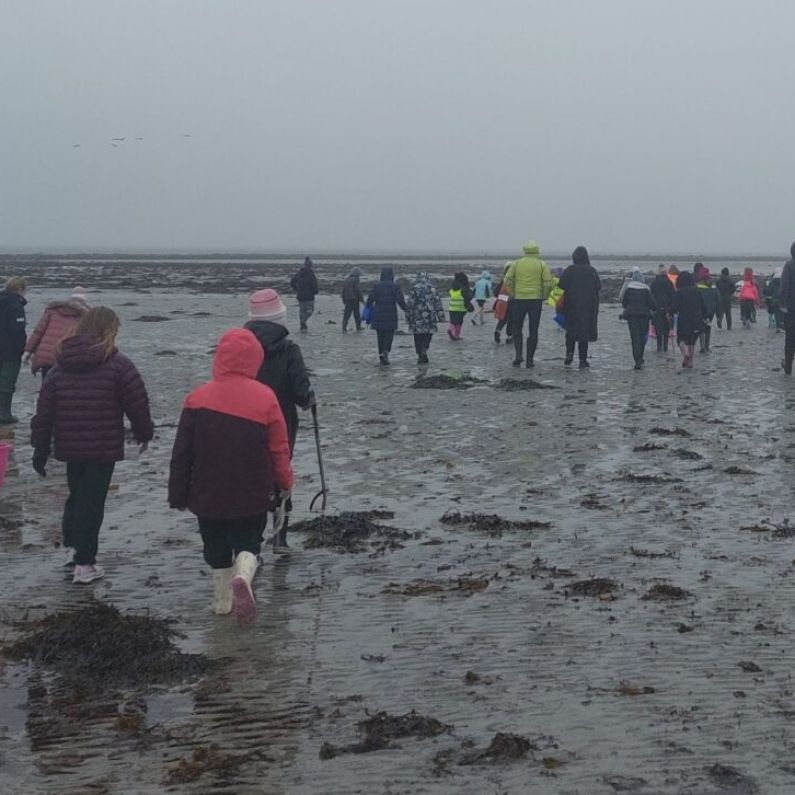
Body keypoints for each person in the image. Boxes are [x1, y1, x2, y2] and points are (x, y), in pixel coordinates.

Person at [168, 329, 293, 622]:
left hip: (206, 492)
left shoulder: (197, 398)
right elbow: (279, 449)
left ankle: (222, 601)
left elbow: (182, 453)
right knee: (249, 539)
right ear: (255, 361)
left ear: (219, 358)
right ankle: (245, 575)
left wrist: (177, 494)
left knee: (215, 546)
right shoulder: (265, 398)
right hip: (252, 490)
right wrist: (285, 482)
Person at [30, 307, 154, 584]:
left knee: (77, 495)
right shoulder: (119, 364)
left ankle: (73, 549)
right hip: (102, 446)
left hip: (70, 445)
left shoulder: (60, 366)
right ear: (110, 331)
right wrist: (144, 432)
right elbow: (138, 403)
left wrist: (39, 447)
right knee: (91, 502)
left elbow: (44, 412)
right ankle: (84, 564)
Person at [244, 289, 313, 552]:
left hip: (244, 421)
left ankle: (251, 541)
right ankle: (280, 537)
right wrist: (309, 399)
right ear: (280, 317)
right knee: (281, 475)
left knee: (251, 477)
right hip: (281, 422)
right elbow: (300, 391)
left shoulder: (242, 347)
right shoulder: (288, 349)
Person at [503, 241, 552, 368]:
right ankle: (530, 360)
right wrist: (544, 296)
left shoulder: (517, 263)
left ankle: (519, 355)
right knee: (533, 330)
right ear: (537, 250)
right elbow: (548, 282)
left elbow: (507, 280)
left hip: (519, 299)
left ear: (524, 250)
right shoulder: (542, 264)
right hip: (535, 300)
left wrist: (513, 293)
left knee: (517, 327)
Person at [24, 287, 89, 379]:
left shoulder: (53, 310)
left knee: (46, 385)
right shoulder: (86, 316)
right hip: (67, 357)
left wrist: (28, 351)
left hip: (47, 355)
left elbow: (38, 332)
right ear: (84, 300)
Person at [558, 246, 600, 369]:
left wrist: (557, 307)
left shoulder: (569, 270)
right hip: (587, 307)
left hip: (570, 306)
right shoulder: (592, 271)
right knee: (584, 334)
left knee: (570, 331)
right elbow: (598, 287)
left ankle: (569, 355)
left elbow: (560, 288)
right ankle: (582, 360)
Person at [0, 276, 28, 424]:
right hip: (10, 350)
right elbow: (17, 330)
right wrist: (22, 349)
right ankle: (4, 414)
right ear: (19, 289)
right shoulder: (15, 305)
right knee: (7, 383)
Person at [366, 266, 405, 365]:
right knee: (389, 335)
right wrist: (406, 309)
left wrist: (367, 308)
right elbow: (400, 300)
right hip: (390, 314)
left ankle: (381, 355)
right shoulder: (395, 286)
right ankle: (385, 352)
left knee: (380, 335)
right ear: (392, 275)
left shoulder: (377, 286)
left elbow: (370, 299)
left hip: (378, 313)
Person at [404, 272, 445, 365]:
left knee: (417, 336)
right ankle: (424, 349)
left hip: (417, 317)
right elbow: (438, 304)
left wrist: (408, 317)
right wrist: (441, 317)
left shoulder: (414, 289)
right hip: (430, 317)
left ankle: (420, 353)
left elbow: (410, 304)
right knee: (428, 335)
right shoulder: (433, 289)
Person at [671, 271, 707, 369]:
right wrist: (705, 316)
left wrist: (670, 312)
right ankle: (690, 362)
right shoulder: (697, 291)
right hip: (696, 319)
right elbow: (703, 306)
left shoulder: (679, 292)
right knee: (692, 341)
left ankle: (685, 353)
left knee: (681, 339)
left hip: (684, 319)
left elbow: (675, 307)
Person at [621, 269, 655, 370]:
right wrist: (655, 309)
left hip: (632, 316)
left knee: (634, 338)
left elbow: (624, 302)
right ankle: (640, 356)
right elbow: (652, 303)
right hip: (644, 316)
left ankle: (637, 359)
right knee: (642, 337)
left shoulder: (629, 289)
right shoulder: (646, 290)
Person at [650, 264, 675, 352]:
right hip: (667, 308)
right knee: (666, 328)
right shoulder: (669, 282)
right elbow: (673, 296)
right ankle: (665, 347)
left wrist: (652, 307)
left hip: (656, 307)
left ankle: (659, 347)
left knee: (658, 329)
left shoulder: (654, 282)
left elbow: (651, 295)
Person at [290, 257, 319, 331]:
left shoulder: (299, 273)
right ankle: (303, 321)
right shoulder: (311, 274)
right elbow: (314, 284)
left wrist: (296, 289)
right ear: (310, 265)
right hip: (309, 296)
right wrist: (315, 292)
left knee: (302, 311)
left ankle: (302, 325)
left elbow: (292, 282)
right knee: (310, 310)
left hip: (300, 296)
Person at [696, 267, 718, 352]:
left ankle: (702, 347)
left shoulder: (697, 286)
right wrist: (718, 313)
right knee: (708, 327)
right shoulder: (713, 286)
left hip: (700, 310)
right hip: (711, 311)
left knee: (701, 327)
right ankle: (707, 346)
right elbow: (718, 299)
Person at [447, 272, 474, 340]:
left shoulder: (452, 289)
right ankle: (456, 335)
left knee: (453, 321)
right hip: (461, 308)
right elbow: (469, 296)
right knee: (459, 322)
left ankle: (450, 329)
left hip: (452, 308)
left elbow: (449, 294)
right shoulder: (463, 289)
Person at [492, 262, 514, 345]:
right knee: (511, 320)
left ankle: (498, 330)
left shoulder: (503, 279)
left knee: (502, 319)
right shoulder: (515, 279)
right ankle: (509, 336)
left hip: (501, 302)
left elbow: (495, 292)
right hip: (512, 302)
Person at [341, 267, 364, 332]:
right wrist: (362, 299)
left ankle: (344, 327)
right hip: (354, 299)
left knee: (347, 314)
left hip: (347, 299)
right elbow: (357, 290)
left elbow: (344, 290)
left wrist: (343, 299)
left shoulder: (347, 279)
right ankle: (358, 327)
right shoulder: (356, 279)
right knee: (357, 314)